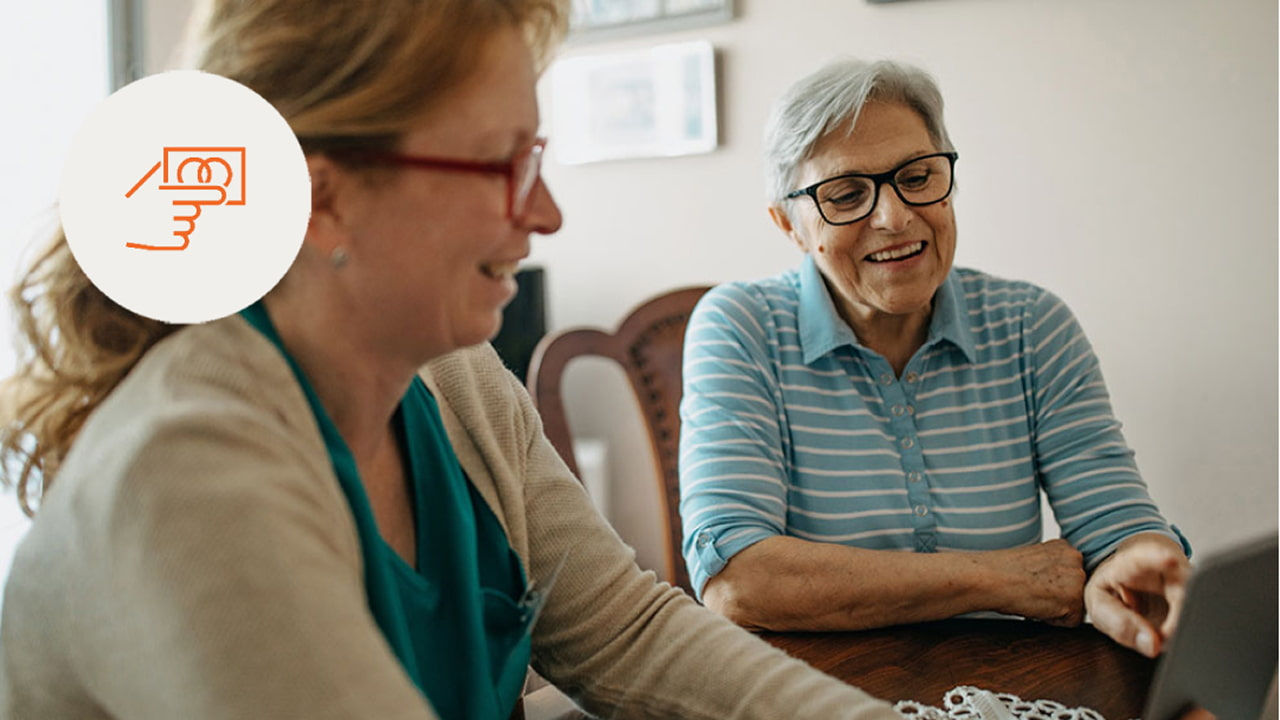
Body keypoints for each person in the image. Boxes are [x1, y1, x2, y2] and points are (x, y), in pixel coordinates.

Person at [0, 4, 904, 719]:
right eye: (507, 165)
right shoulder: (187, 475)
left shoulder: (455, 380)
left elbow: (626, 634)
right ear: (322, 199)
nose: (546, 214)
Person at [678, 58, 1191, 658]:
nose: (895, 218)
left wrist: (1139, 563)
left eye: (918, 177)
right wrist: (1005, 579)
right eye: (845, 195)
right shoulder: (740, 326)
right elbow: (739, 581)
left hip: (1004, 684)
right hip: (811, 691)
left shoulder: (1031, 325)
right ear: (789, 225)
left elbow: (1116, 528)